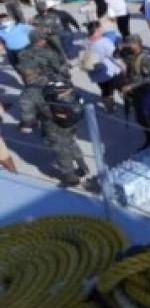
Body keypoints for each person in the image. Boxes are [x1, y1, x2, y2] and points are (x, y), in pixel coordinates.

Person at [18, 30, 86, 186]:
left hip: (51, 122)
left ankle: (71, 178)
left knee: (59, 148)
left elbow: (27, 121)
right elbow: (65, 74)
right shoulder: (55, 79)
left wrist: (26, 124)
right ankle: (82, 166)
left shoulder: (30, 91)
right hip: (69, 118)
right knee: (70, 141)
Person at [84, 20, 126, 111]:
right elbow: (115, 56)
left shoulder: (87, 41)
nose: (103, 29)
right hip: (111, 73)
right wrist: (123, 66)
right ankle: (129, 105)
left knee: (106, 92)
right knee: (123, 88)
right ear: (97, 29)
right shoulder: (104, 41)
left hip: (97, 74)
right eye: (101, 28)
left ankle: (110, 108)